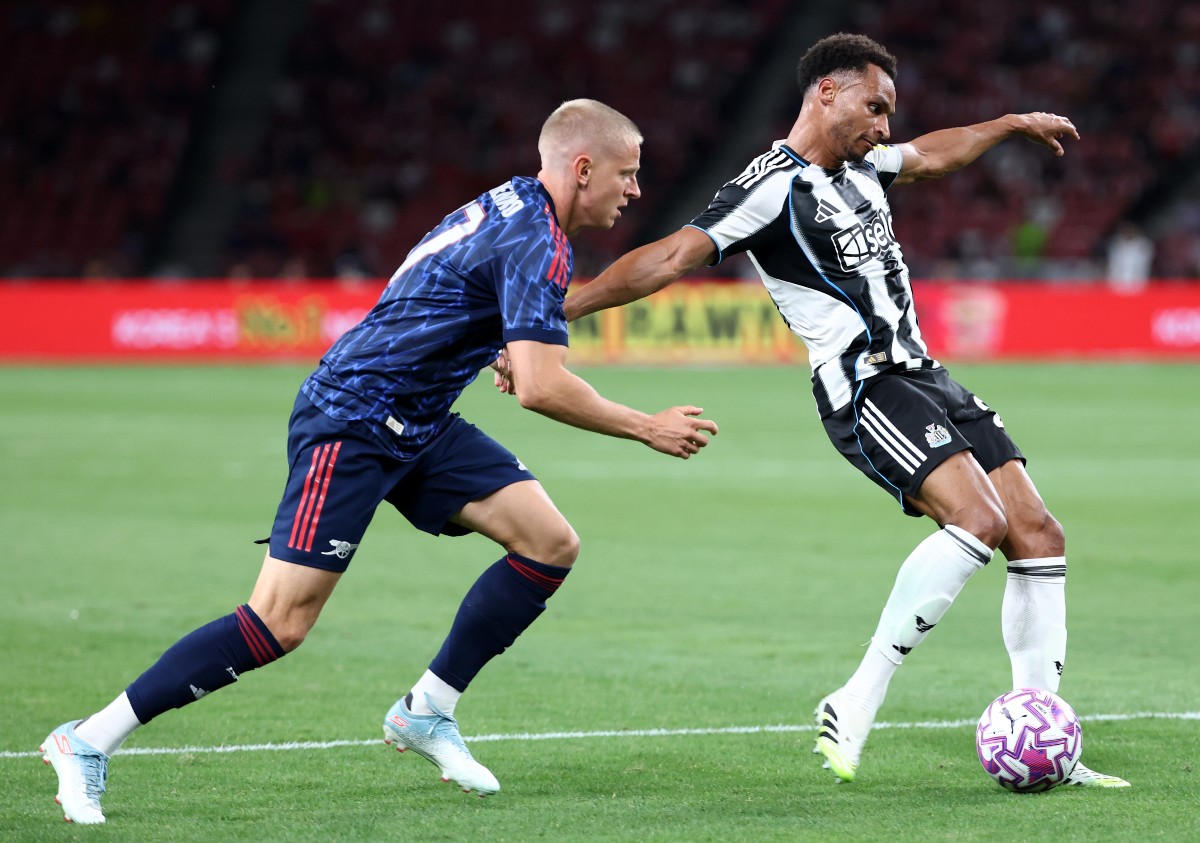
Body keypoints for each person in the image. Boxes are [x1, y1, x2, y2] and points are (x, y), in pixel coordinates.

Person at [41, 98, 719, 825]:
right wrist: (645, 426)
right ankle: (87, 739)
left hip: (418, 419)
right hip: (354, 419)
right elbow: (541, 387)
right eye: (627, 173)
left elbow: (459, 293)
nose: (635, 190)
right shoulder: (535, 238)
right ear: (583, 169)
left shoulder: (516, 206)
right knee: (280, 622)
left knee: (549, 542)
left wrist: (501, 341)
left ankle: (427, 710)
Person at [559, 34, 1128, 787]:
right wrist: (561, 309)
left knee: (1038, 533)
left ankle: (1043, 733)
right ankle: (856, 698)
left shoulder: (865, 164)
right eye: (874, 107)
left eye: (889, 112)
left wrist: (1009, 124)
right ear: (826, 92)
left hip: (925, 374)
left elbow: (931, 156)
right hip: (864, 385)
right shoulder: (770, 188)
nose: (884, 126)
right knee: (978, 520)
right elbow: (668, 258)